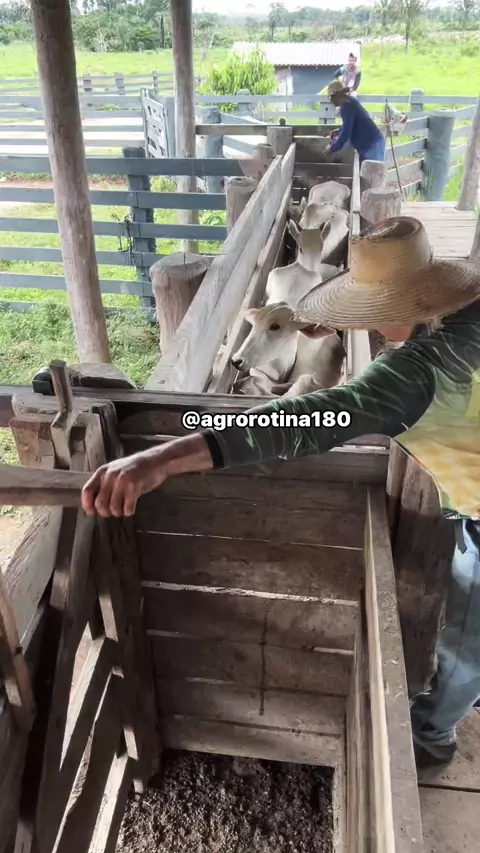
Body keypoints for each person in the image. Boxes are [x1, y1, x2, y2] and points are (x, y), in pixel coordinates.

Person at [82, 216, 480, 771]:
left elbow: (299, 421)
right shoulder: (468, 317)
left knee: (466, 641)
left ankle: (431, 735)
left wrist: (160, 456)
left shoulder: (408, 378)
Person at [324, 79, 385, 164]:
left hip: (372, 144)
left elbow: (346, 132)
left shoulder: (347, 106)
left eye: (331, 96)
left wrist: (332, 148)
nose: (331, 100)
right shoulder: (350, 101)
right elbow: (351, 124)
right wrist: (340, 130)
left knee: (373, 171)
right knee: (367, 171)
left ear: (337, 94)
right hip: (370, 143)